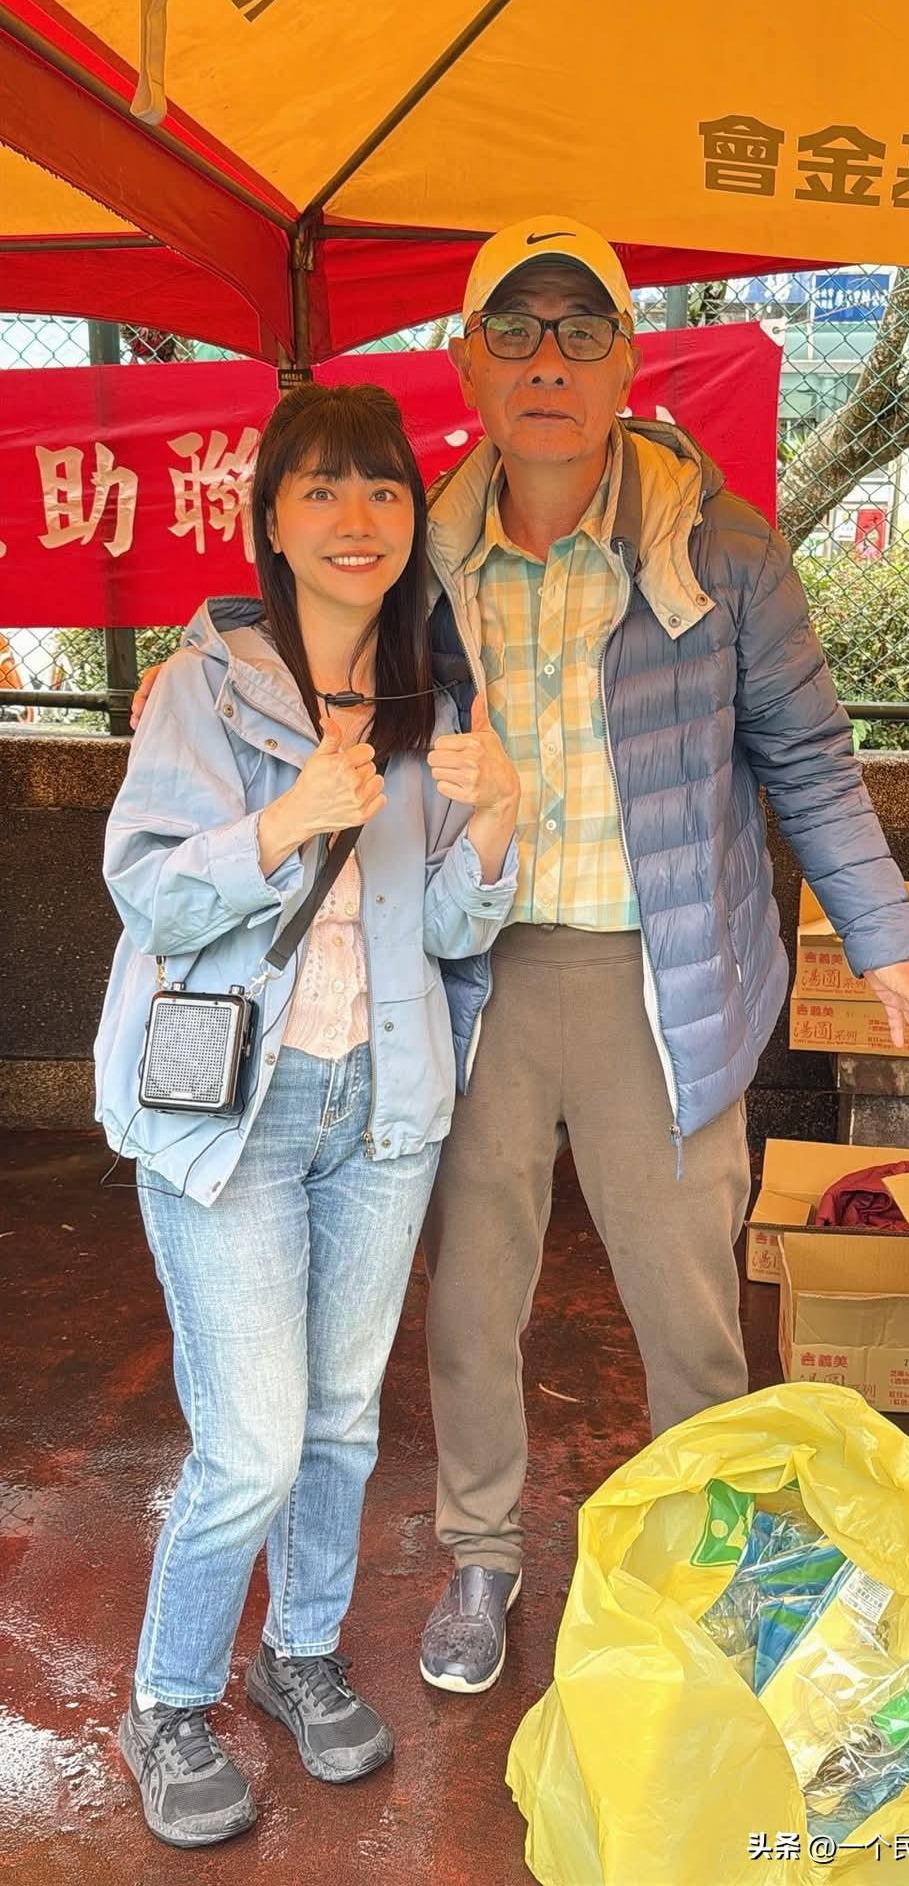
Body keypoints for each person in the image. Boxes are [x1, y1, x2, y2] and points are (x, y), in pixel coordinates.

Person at [133, 217, 909, 1703]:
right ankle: (481, 1554)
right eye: (513, 332)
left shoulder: (724, 551)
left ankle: (730, 1564)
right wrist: (192, 669)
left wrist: (884, 937)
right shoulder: (427, 553)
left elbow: (811, 760)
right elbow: (304, 612)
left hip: (665, 977)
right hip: (468, 975)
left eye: (582, 330)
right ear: (467, 365)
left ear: (630, 362)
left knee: (687, 1298)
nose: (548, 362)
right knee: (472, 1294)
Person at [97, 382, 519, 1847]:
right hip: (236, 1110)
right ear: (271, 519)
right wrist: (283, 822)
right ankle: (167, 1700)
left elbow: (452, 935)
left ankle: (300, 1653)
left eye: (386, 491)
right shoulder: (201, 688)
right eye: (323, 490)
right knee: (253, 1442)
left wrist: (498, 819)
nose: (358, 519)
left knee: (342, 1417)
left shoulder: (433, 706)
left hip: (383, 1107)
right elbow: (149, 890)